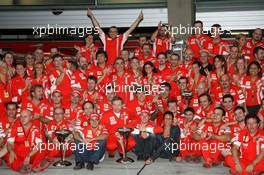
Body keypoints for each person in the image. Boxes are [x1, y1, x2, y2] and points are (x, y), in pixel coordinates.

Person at [6, 109, 50, 173]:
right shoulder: (15, 127)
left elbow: (39, 145)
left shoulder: (35, 128)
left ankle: (36, 166)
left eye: (25, 116)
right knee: (9, 154)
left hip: (31, 154)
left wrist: (28, 156)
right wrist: (11, 151)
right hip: (19, 154)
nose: (22, 119)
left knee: (43, 148)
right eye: (21, 116)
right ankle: (20, 167)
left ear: (31, 117)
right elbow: (9, 143)